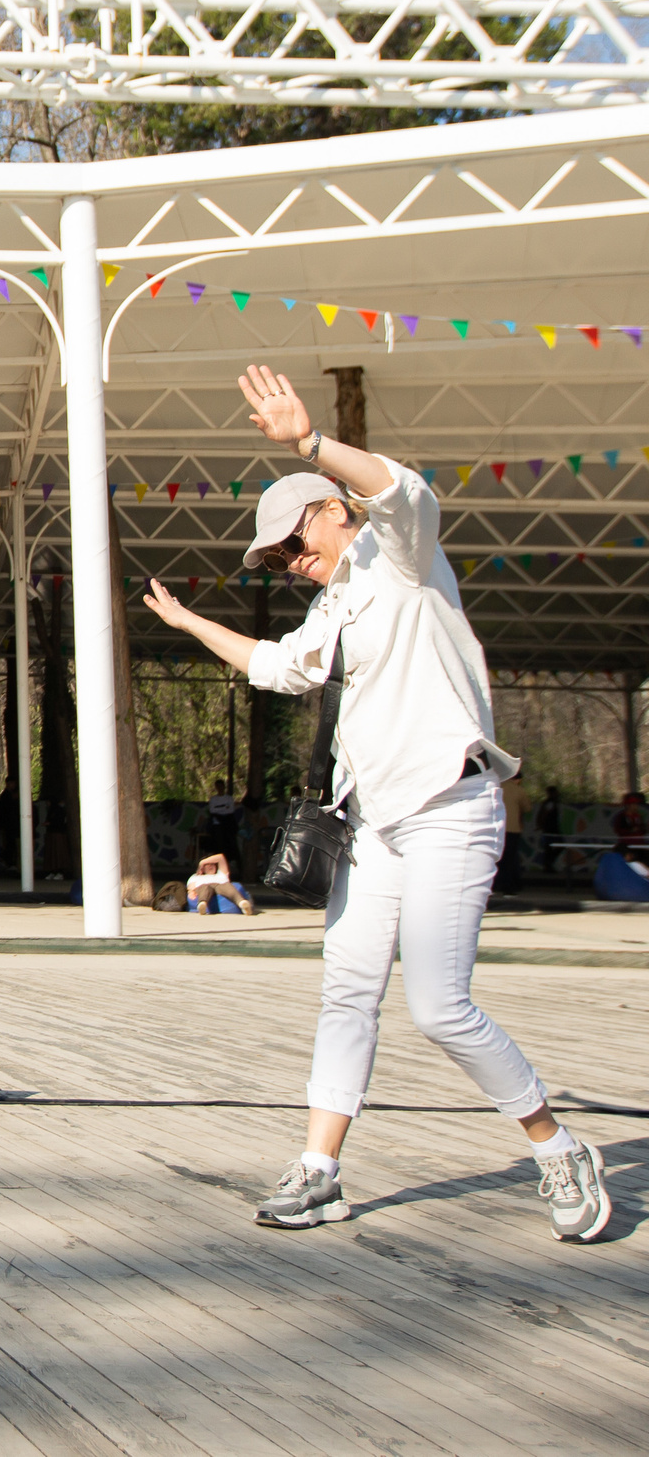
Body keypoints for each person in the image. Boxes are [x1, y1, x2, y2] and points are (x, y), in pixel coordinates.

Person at [139, 362, 608, 1242]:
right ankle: (319, 1170)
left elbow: (404, 489)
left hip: (448, 804)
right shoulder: (336, 607)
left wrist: (309, 443)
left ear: (329, 508)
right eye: (277, 561)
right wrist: (191, 625)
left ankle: (556, 1146)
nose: (290, 563)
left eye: (292, 543)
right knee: (346, 992)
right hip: (372, 826)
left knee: (439, 1006)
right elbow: (278, 666)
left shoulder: (402, 554)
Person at [185, 852, 256, 916]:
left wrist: (202, 862)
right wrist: (191, 892)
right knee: (205, 887)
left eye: (212, 864)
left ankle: (242, 903)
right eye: (207, 865)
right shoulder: (196, 877)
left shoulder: (221, 874)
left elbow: (221, 857)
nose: (210, 866)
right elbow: (191, 888)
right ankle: (202, 904)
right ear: (202, 868)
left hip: (220, 886)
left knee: (227, 885)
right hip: (204, 888)